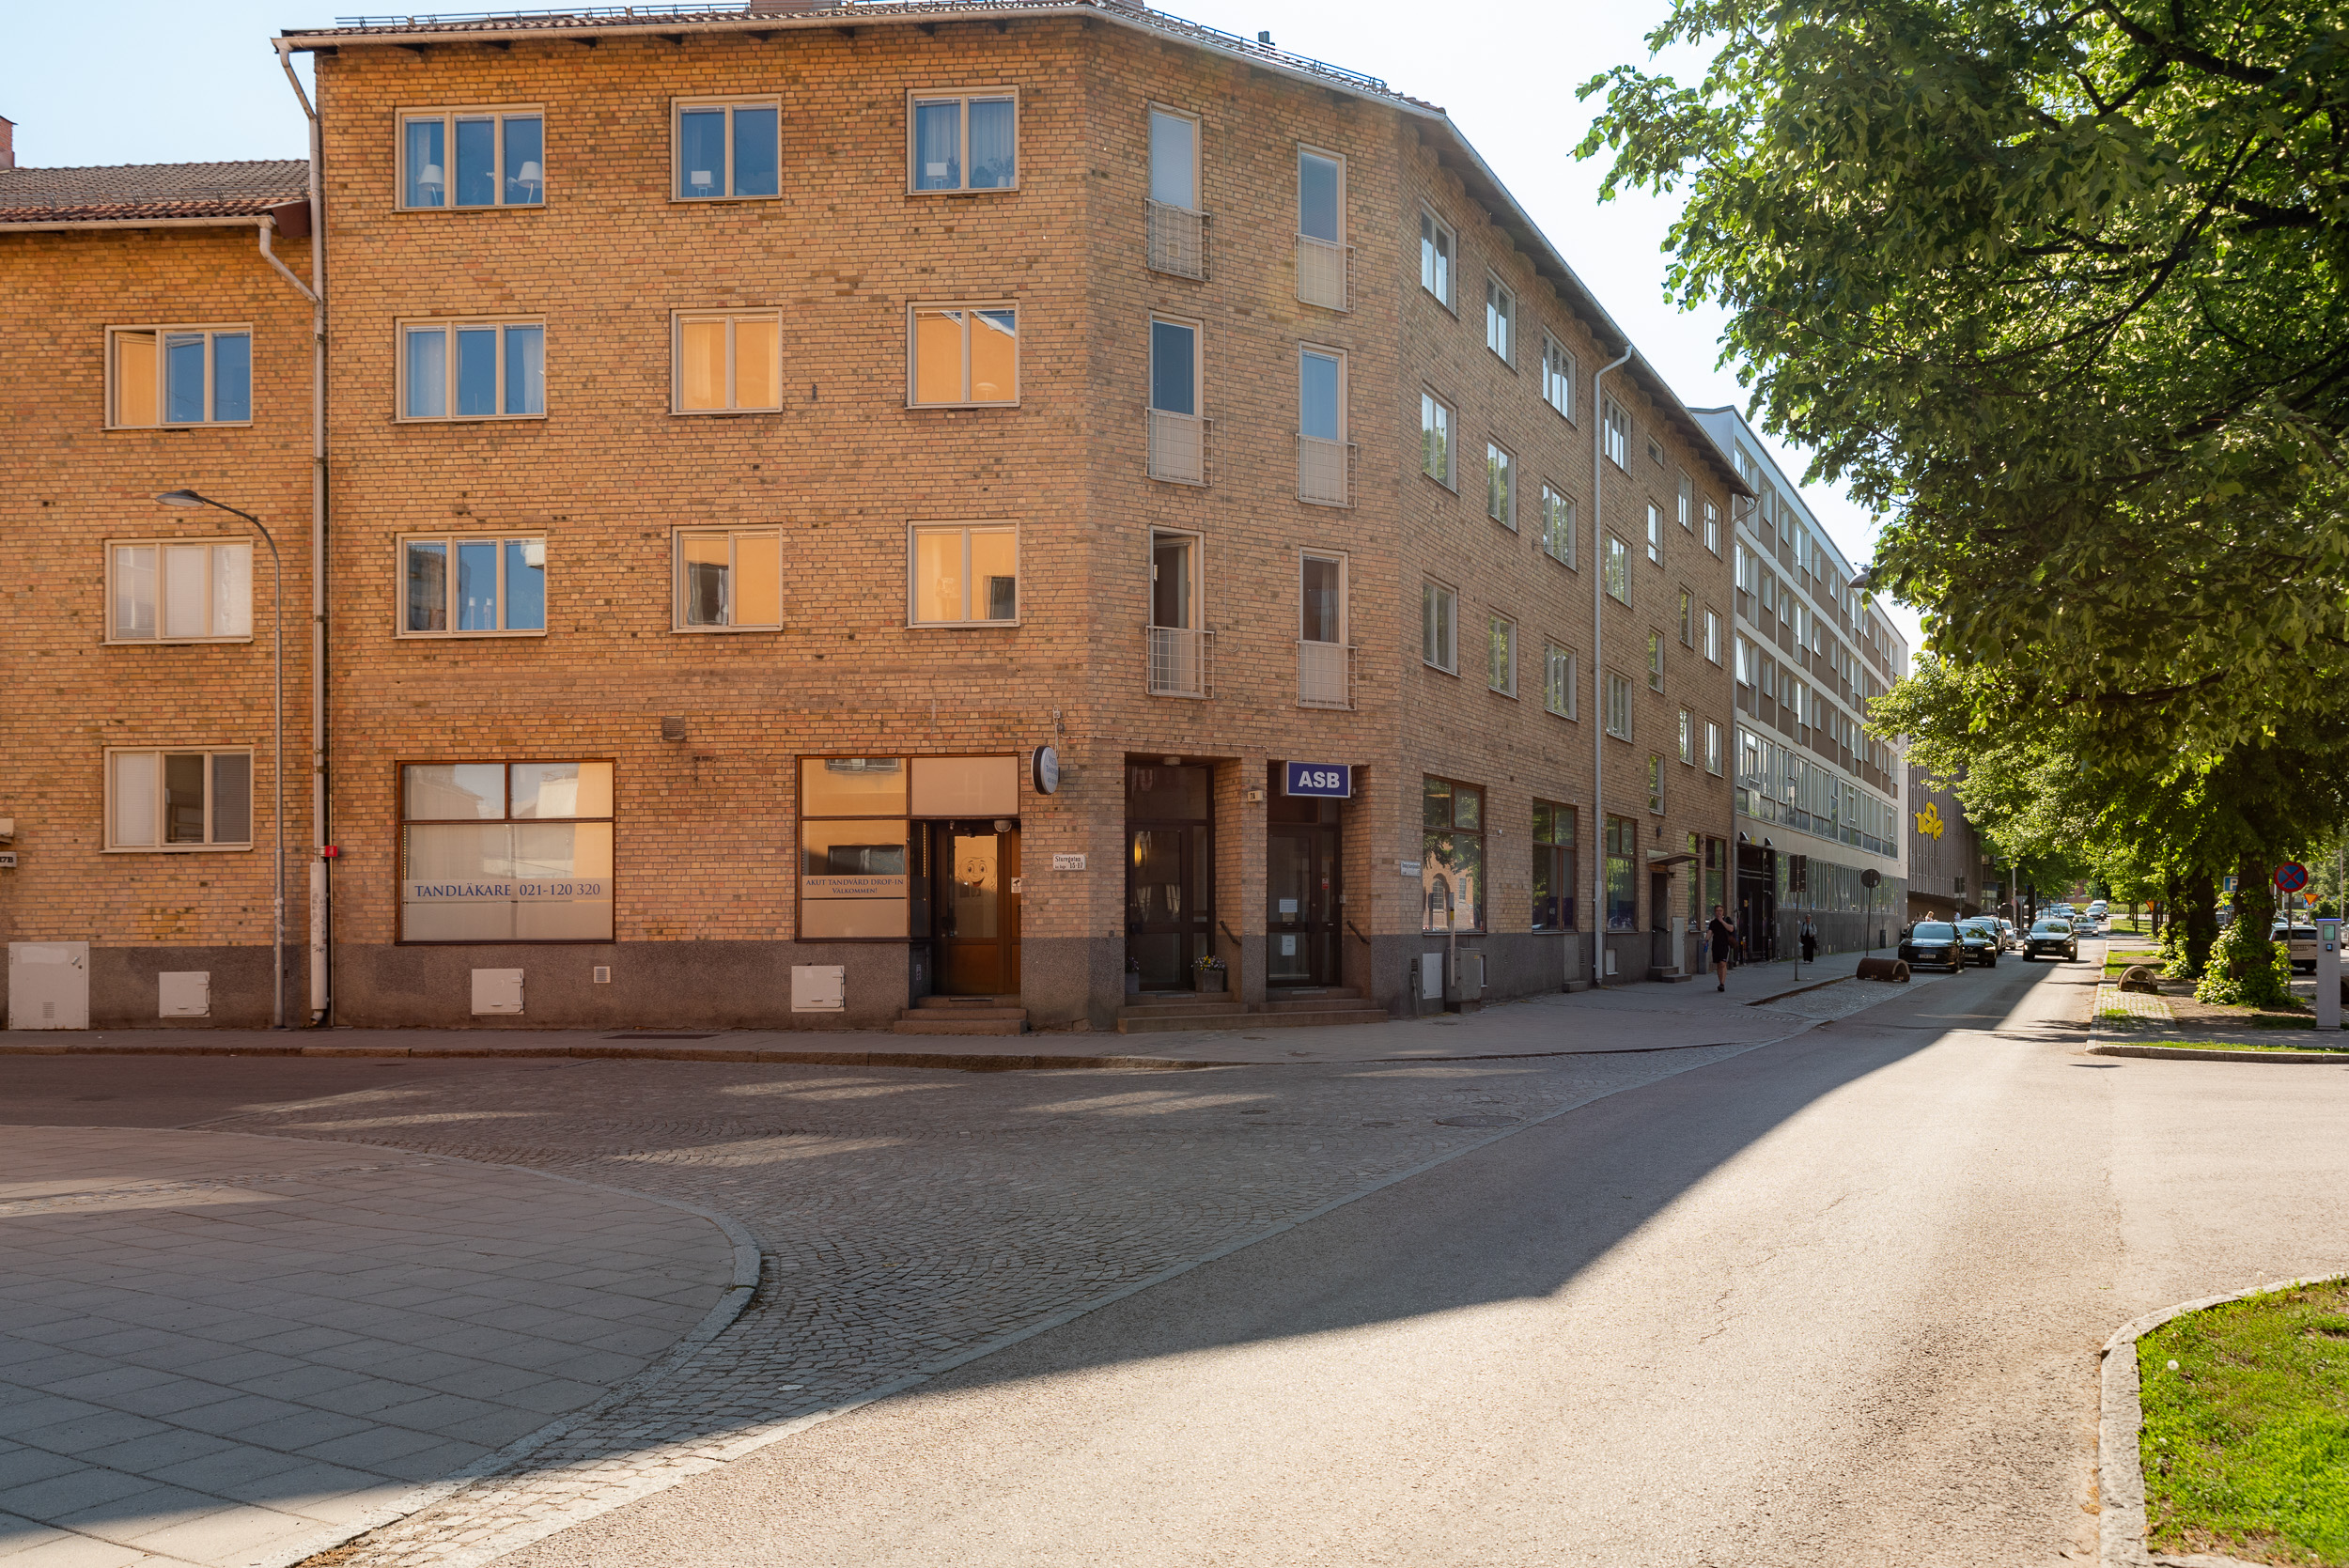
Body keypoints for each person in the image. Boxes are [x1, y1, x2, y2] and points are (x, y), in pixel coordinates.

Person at [1707, 904, 1737, 992]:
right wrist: (1706, 941)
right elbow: (1710, 932)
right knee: (1718, 964)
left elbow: (1731, 929)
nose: (1719, 912)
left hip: (1725, 945)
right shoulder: (1713, 922)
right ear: (1714, 912)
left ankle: (1722, 984)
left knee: (1723, 963)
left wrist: (1722, 921)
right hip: (1716, 945)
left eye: (1720, 911)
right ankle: (1720, 981)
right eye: (1717, 911)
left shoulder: (1727, 919)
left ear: (1723, 912)